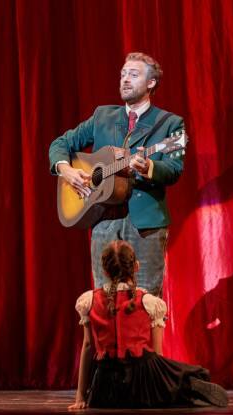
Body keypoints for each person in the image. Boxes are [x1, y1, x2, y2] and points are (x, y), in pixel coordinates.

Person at [49, 52, 184, 298]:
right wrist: (66, 170)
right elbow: (61, 143)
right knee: (103, 300)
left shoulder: (170, 124)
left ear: (151, 83)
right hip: (103, 220)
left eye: (133, 75)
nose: (125, 80)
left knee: (146, 301)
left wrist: (149, 168)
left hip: (146, 224)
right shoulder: (103, 116)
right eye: (123, 74)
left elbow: (174, 170)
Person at [69, 240, 228, 410]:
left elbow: (87, 346)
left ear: (105, 271)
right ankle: (185, 388)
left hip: (105, 388)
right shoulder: (148, 302)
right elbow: (157, 353)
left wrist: (80, 395)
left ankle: (181, 390)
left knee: (162, 376)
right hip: (142, 381)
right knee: (177, 374)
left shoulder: (89, 300)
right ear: (136, 266)